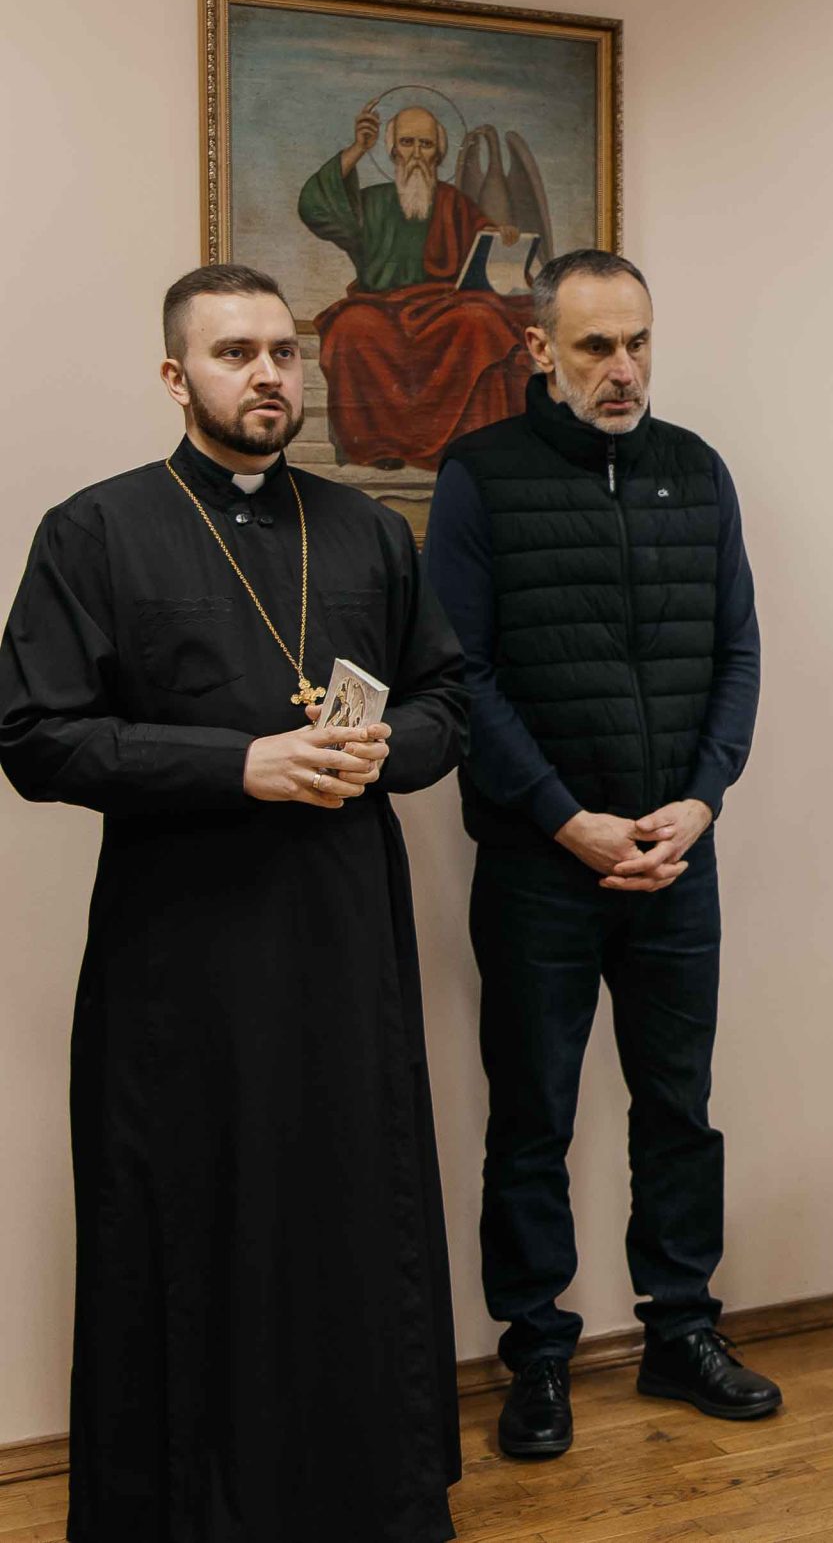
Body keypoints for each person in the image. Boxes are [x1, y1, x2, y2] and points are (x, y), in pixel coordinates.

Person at [0, 263, 468, 1540]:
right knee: (192, 1219)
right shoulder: (95, 531)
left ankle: (363, 1497)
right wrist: (236, 764)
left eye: (283, 351)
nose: (268, 374)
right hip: (183, 957)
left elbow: (446, 697)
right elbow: (35, 736)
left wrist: (392, 750)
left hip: (343, 941)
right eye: (234, 353)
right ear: (176, 376)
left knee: (348, 1215)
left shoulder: (366, 530)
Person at [423, 249, 774, 1461]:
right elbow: (462, 676)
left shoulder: (697, 469)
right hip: (542, 863)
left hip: (676, 856)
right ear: (539, 350)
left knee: (680, 1108)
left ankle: (681, 1328)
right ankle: (536, 1354)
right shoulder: (479, 477)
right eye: (594, 347)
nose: (622, 369)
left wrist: (703, 800)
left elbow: (737, 652)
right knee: (534, 1115)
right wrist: (563, 816)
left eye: (637, 342)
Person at [298, 101, 536, 468]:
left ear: (438, 154)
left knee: (480, 320)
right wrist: (358, 149)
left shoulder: (455, 203)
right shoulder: (371, 203)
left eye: (425, 145)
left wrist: (502, 237)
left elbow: (486, 254)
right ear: (393, 150)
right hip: (379, 308)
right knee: (351, 326)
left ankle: (465, 443)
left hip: (445, 309)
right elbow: (314, 208)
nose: (415, 154)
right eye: (407, 143)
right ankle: (379, 447)